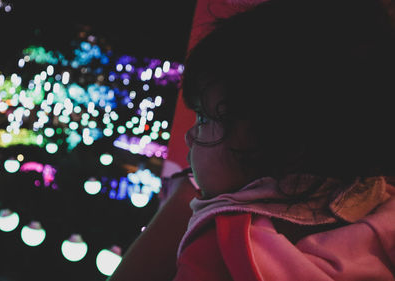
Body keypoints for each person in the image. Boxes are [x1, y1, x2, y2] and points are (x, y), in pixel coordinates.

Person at [108, 0, 395, 280]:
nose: (189, 135)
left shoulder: (220, 253)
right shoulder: (381, 218)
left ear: (281, 141)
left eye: (204, 118)